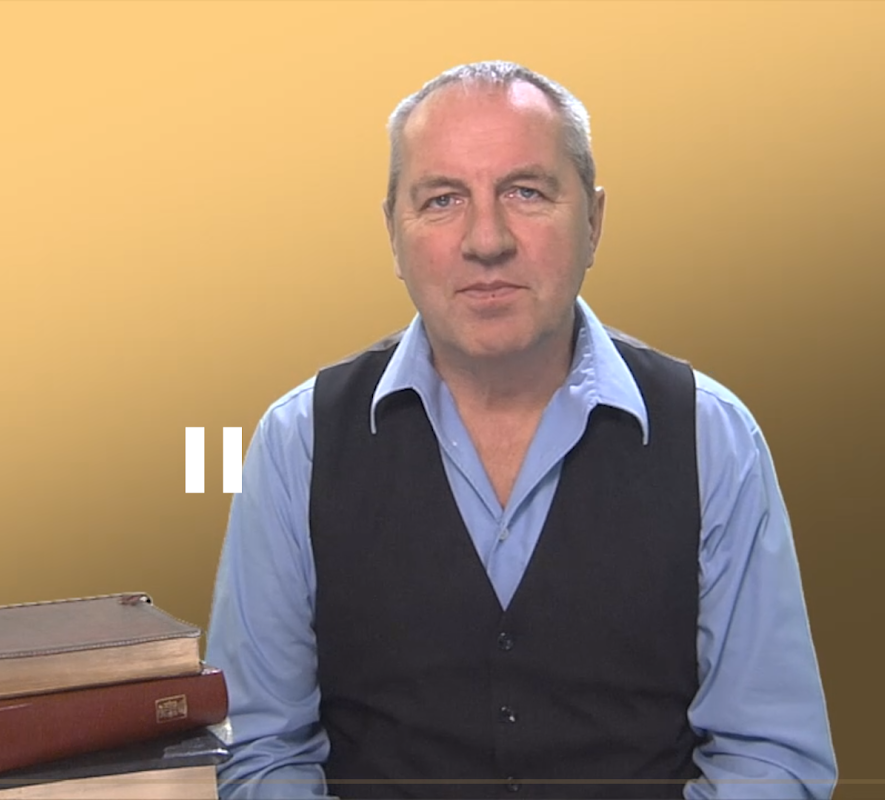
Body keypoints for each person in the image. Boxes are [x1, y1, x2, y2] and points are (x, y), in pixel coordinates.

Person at [203, 61, 839, 800]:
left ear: (594, 220)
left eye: (526, 192)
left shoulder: (713, 438)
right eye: (443, 200)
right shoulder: (297, 445)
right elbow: (259, 753)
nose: (486, 239)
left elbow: (770, 756)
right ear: (393, 234)